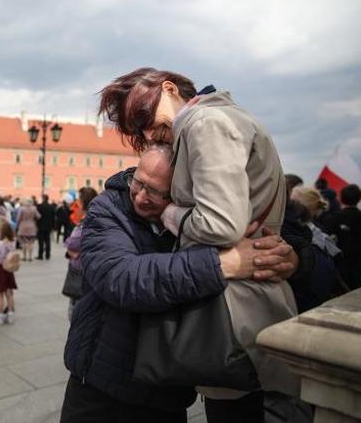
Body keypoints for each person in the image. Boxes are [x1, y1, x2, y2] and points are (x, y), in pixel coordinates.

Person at [98, 68, 301, 421]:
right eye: (138, 130)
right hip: (248, 304)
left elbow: (221, 224)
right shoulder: (226, 117)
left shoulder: (203, 121)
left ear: (169, 87)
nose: (148, 132)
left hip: (232, 316)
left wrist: (171, 213)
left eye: (144, 116)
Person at [60, 147, 297, 422]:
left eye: (156, 192)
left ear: (184, 192)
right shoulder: (110, 207)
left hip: (168, 389)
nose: (139, 196)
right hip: (101, 386)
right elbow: (123, 279)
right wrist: (223, 264)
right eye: (137, 182)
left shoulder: (207, 216)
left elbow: (291, 238)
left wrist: (288, 258)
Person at [63, 187, 98, 319]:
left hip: (81, 272)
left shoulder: (88, 221)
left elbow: (72, 242)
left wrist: (69, 247)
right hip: (86, 270)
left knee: (76, 312)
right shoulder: (94, 217)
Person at [323, 184, 361, 290]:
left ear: (341, 198)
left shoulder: (332, 218)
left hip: (339, 266)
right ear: (359, 199)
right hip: (360, 266)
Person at [36, 194, 56, 260]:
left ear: (43, 198)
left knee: (40, 241)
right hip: (48, 226)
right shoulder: (51, 207)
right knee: (48, 241)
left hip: (41, 226)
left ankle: (40, 255)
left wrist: (37, 225)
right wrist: (53, 226)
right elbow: (53, 218)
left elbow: (38, 218)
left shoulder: (39, 206)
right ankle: (48, 255)